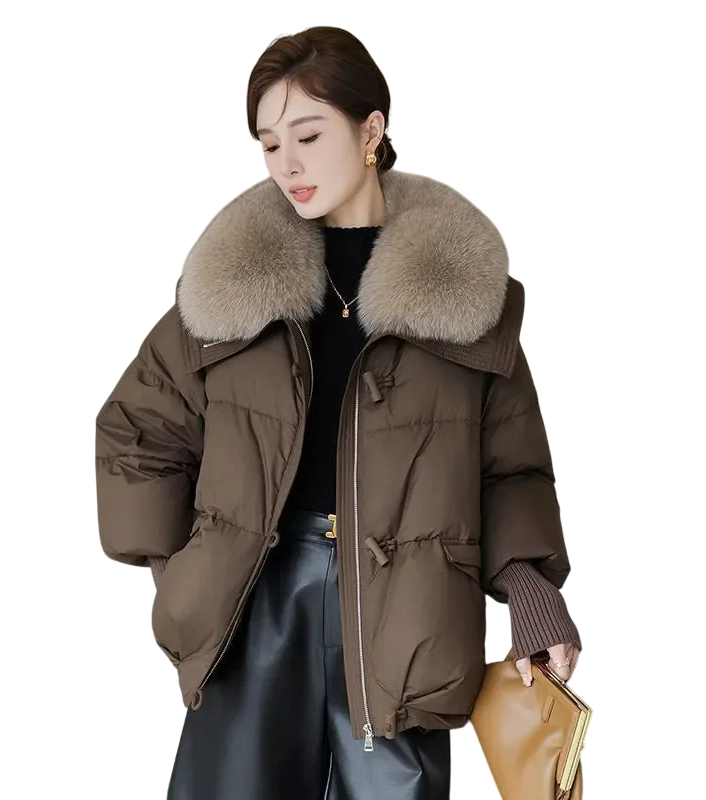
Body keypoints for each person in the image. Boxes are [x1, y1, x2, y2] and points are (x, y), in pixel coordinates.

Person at [95, 25, 582, 800]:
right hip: (260, 600)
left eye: (309, 134)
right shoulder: (233, 290)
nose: (286, 163)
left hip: (409, 616)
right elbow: (136, 428)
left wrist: (531, 593)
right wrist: (184, 575)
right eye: (268, 144)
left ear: (370, 130)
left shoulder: (465, 298)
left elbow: (511, 468)